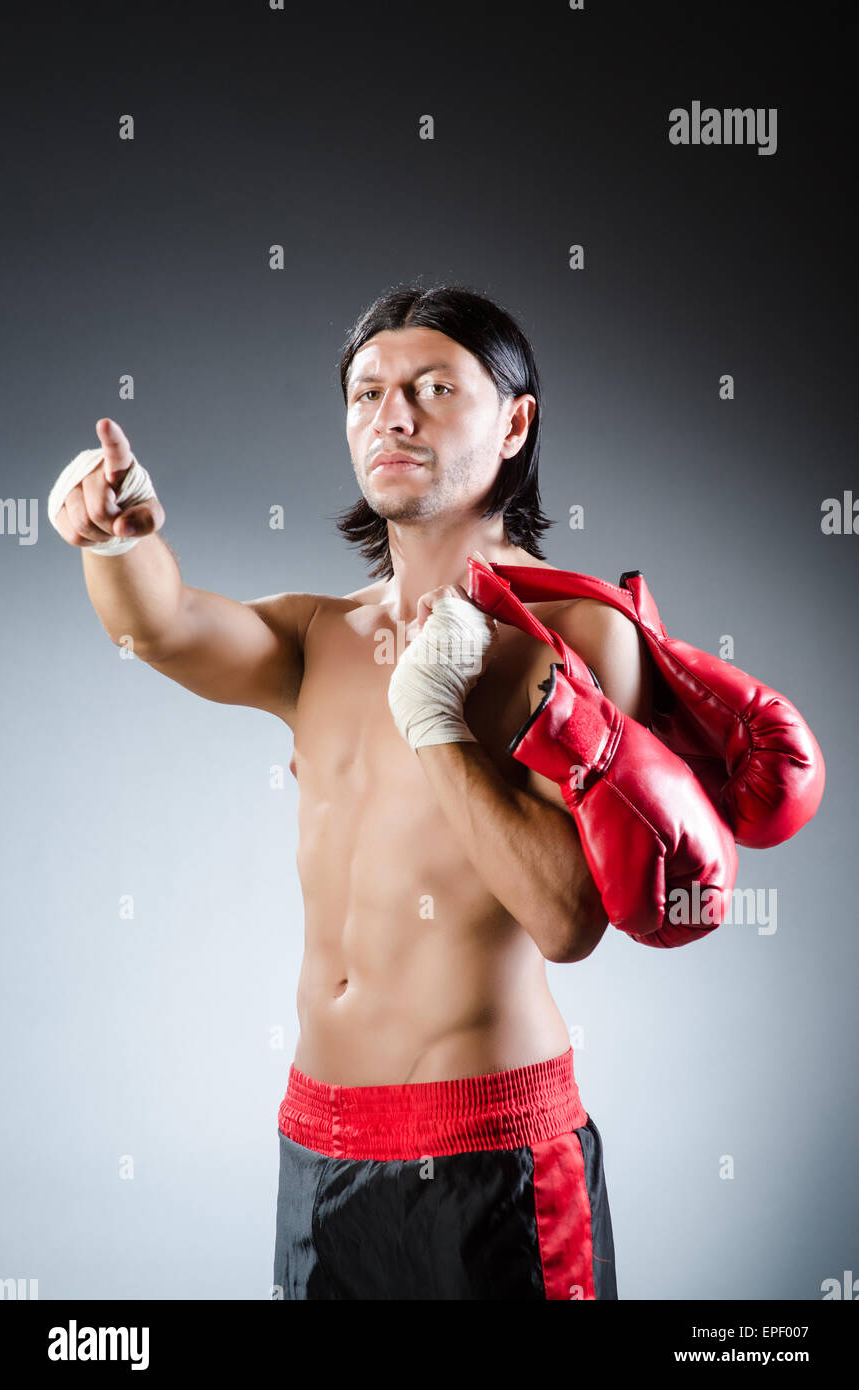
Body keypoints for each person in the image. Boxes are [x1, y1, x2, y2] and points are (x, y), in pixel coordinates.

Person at [49, 283, 652, 1300]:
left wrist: (435, 720)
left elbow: (566, 917)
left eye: (431, 386)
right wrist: (114, 535)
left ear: (516, 422)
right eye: (367, 391)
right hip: (319, 1147)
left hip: (490, 1155)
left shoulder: (578, 636)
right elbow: (158, 626)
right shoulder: (319, 634)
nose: (392, 413)